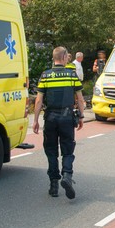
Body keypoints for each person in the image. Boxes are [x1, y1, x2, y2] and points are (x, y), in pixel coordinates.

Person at [33, 47, 86, 199]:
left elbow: (38, 100)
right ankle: (67, 176)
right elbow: (80, 99)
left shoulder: (45, 76)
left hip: (50, 118)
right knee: (68, 149)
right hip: (67, 117)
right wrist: (81, 116)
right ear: (63, 57)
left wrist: (35, 120)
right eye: (67, 57)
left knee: (51, 151)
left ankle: (54, 185)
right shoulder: (71, 75)